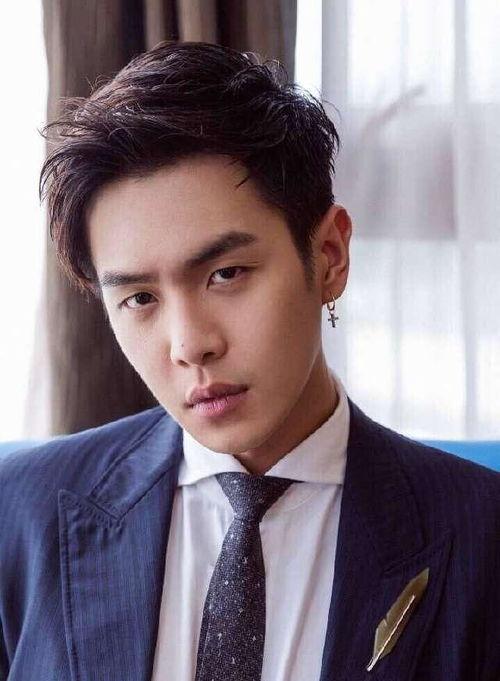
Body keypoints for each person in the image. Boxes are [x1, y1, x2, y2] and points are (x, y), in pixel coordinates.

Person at [1, 41, 499, 681]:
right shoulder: (22, 512)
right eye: (140, 298)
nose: (189, 345)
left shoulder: (481, 534)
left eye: (226, 274)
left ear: (329, 257)